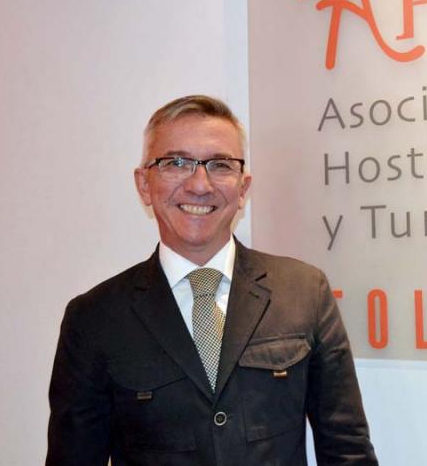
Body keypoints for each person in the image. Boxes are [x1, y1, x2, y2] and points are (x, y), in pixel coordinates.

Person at [46, 95, 378, 465]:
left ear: (243, 188)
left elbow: (348, 451)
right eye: (177, 163)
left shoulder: (304, 292)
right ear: (144, 184)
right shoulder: (95, 318)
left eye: (220, 165)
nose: (200, 185)